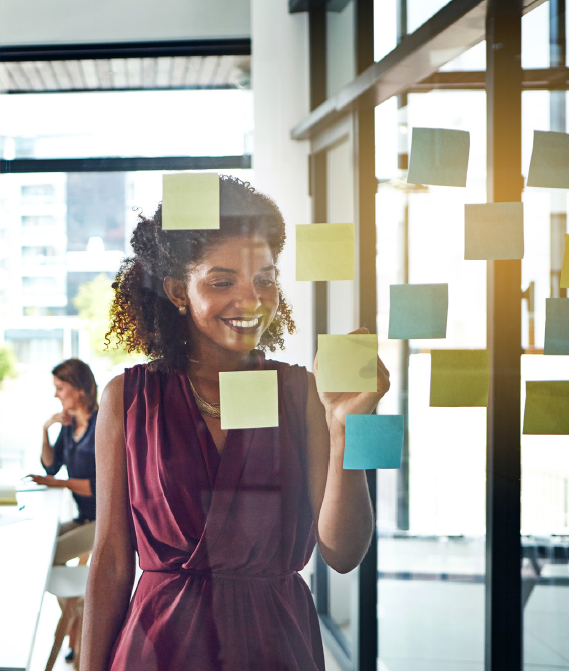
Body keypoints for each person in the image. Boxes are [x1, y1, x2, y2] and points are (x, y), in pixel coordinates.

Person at [81, 176, 385, 671]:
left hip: (275, 646)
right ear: (179, 290)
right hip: (157, 651)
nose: (251, 300)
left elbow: (343, 552)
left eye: (264, 279)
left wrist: (347, 425)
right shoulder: (129, 398)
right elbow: (112, 559)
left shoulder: (302, 392)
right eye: (222, 281)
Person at [28, 358, 101, 663]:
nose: (56, 394)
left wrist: (58, 484)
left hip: (104, 520)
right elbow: (50, 465)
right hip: (84, 517)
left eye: (60, 388)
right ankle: (77, 614)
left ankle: (75, 619)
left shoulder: (101, 424)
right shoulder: (70, 426)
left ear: (79, 389)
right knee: (39, 546)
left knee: (50, 556)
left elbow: (98, 486)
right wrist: (47, 427)